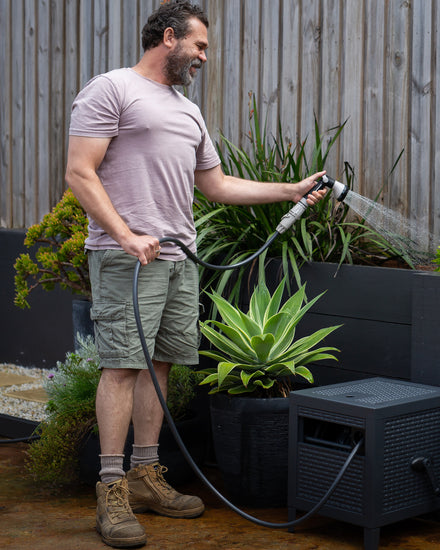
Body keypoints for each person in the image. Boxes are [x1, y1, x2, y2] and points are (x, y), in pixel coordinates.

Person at [64, 1, 326, 548]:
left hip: (181, 258)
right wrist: (126, 234)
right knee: (121, 367)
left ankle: (144, 476)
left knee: (160, 366)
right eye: (199, 45)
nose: (205, 56)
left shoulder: (187, 110)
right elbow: (80, 172)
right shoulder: (110, 89)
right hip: (126, 259)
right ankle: (110, 487)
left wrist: (291, 190)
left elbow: (218, 186)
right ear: (169, 38)